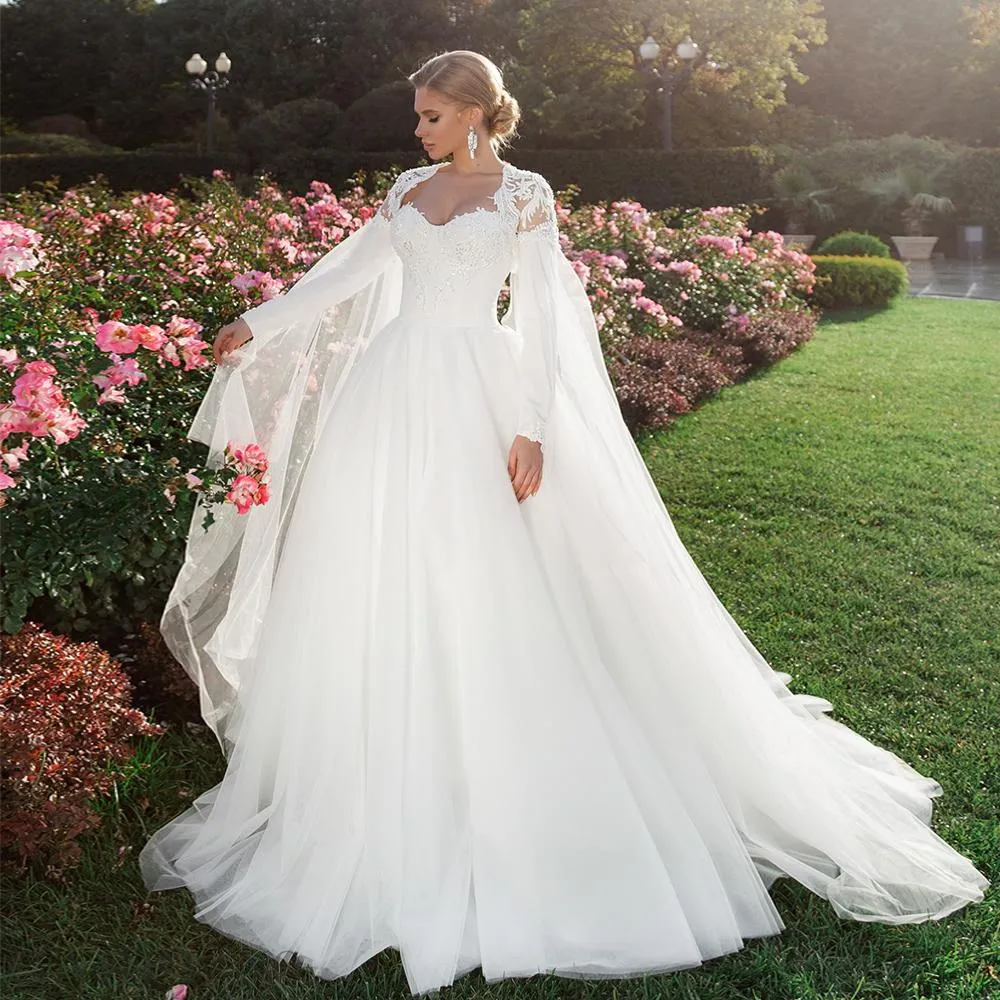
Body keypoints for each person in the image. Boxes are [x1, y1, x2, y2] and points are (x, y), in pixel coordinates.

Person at [139, 49, 990, 997]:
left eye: (430, 115)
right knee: (384, 570)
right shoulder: (408, 191)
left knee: (491, 574)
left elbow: (545, 313)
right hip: (393, 394)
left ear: (474, 114)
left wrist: (531, 426)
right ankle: (384, 766)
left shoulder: (525, 195)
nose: (416, 131)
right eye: (416, 116)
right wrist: (258, 321)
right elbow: (345, 272)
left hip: (480, 388)